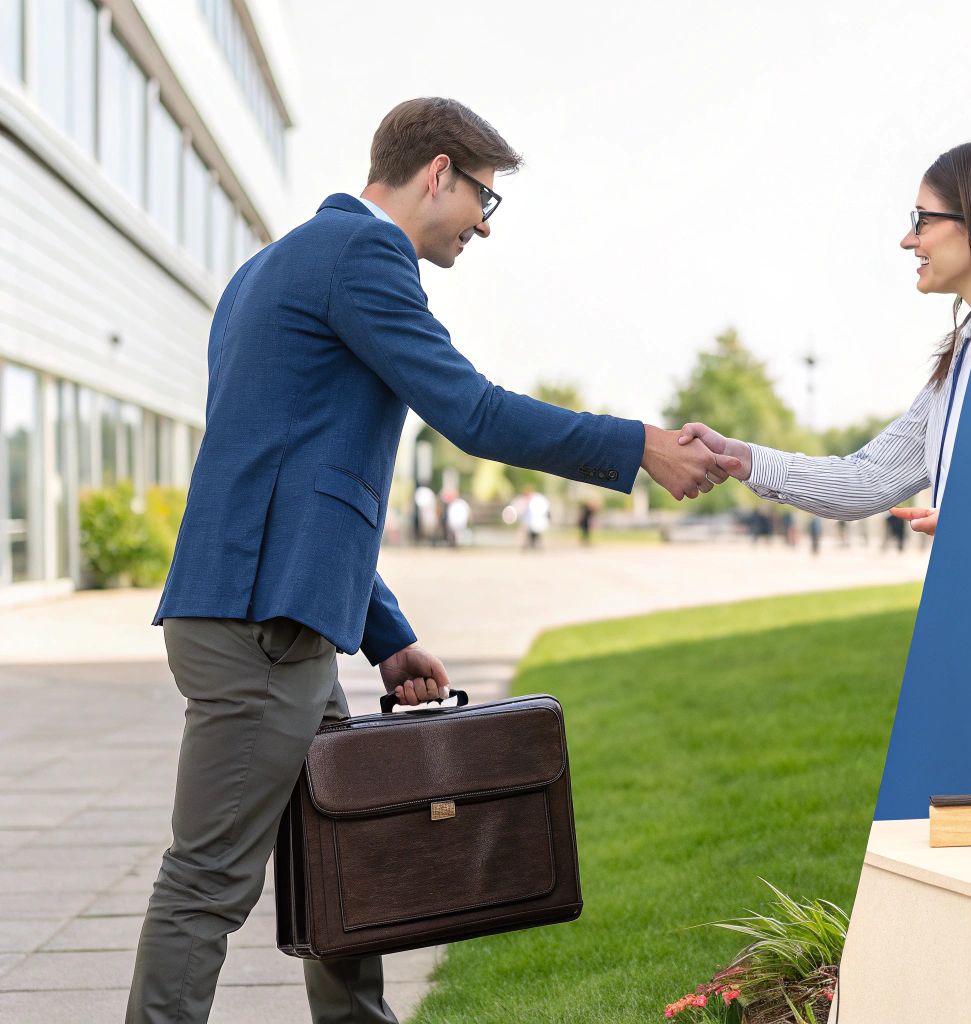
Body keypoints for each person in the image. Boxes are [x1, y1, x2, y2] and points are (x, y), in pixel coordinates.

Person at [134, 97, 737, 1024]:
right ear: (438, 173)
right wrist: (640, 444)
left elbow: (296, 486)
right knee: (208, 882)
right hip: (258, 631)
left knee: (342, 856)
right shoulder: (364, 255)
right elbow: (474, 412)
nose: (483, 229)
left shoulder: (265, 267)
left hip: (274, 617)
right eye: (485, 202)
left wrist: (388, 637)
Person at [677, 137, 971, 538]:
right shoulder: (961, 356)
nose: (908, 240)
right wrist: (744, 458)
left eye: (922, 220)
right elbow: (868, 479)